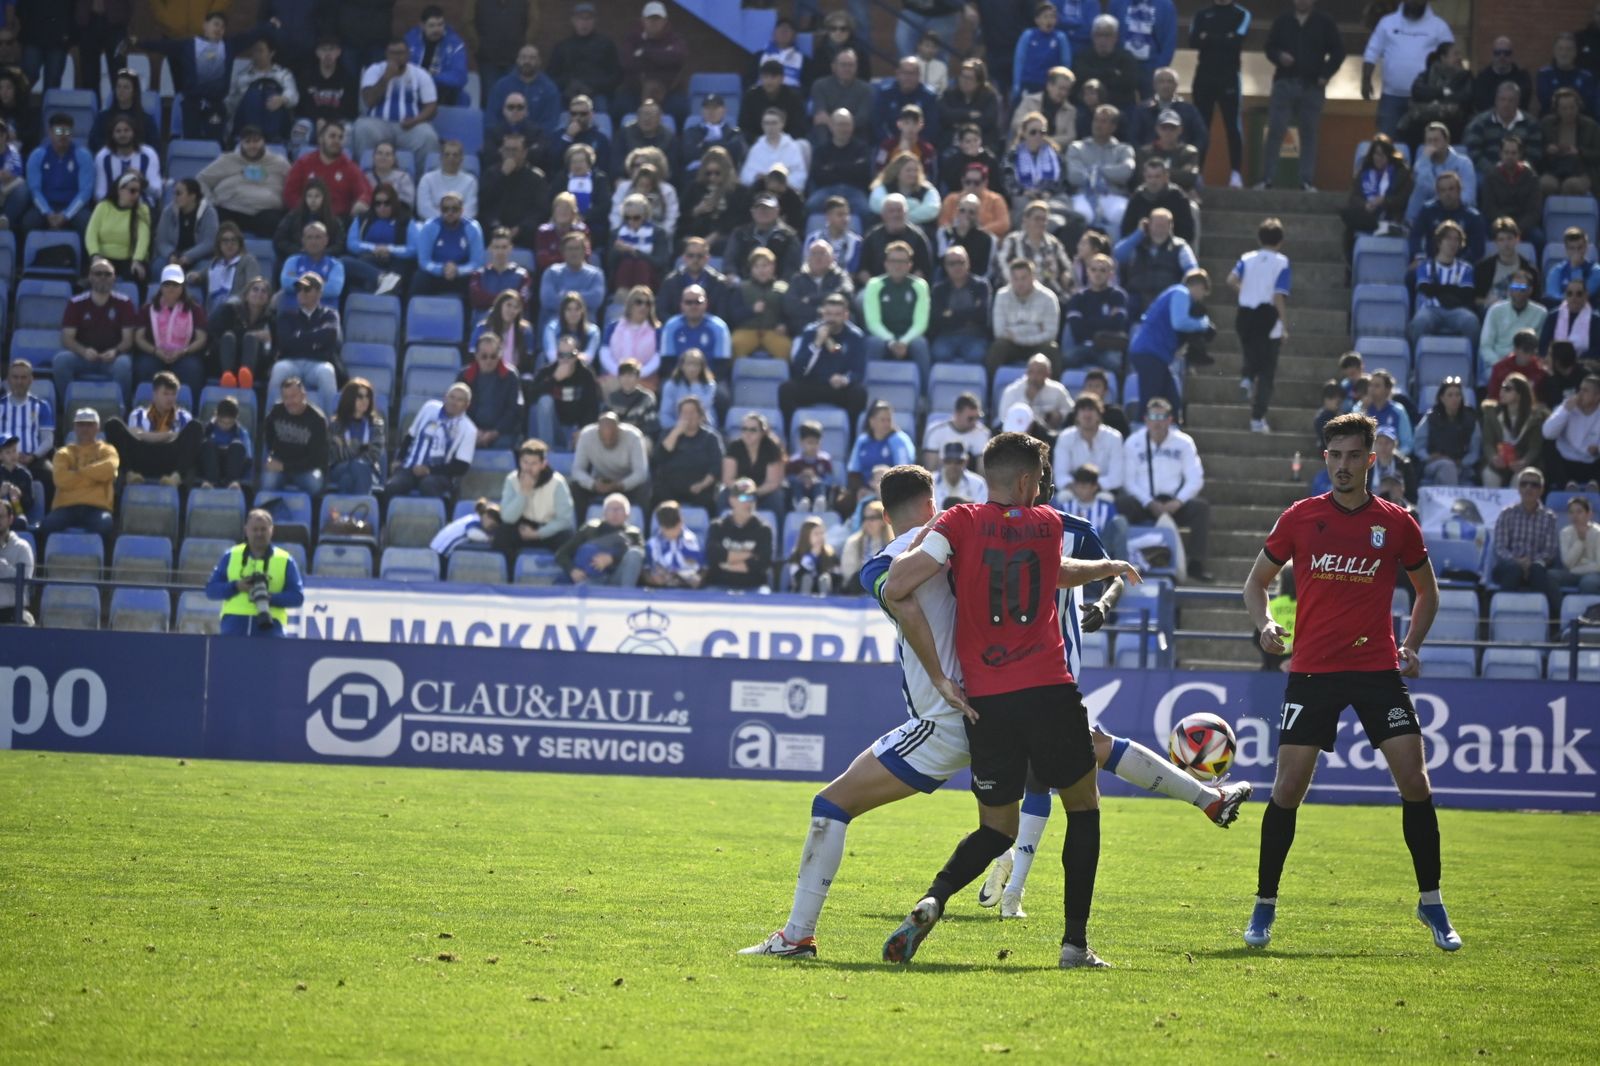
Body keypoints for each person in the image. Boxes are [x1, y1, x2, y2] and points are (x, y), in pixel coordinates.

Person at [878, 434, 1132, 969]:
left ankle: (934, 898)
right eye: (1038, 479)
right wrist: (1108, 567)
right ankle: (1073, 946)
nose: (1040, 488)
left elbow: (899, 584)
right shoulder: (1048, 523)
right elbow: (1056, 571)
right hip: (1049, 691)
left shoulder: (958, 523)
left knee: (998, 829)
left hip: (986, 702)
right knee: (1083, 810)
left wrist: (942, 677)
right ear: (1024, 482)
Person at [1244, 411, 1455, 951]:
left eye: (1353, 456)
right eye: (1334, 456)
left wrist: (1412, 645)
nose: (1343, 465)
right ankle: (1263, 905)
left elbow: (1427, 593)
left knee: (1416, 782)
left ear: (1371, 458)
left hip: (1378, 672)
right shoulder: (1300, 517)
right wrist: (1266, 623)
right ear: (1325, 459)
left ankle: (1431, 903)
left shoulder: (1398, 523)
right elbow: (1257, 584)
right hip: (1312, 670)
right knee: (1288, 790)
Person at [1119, 396, 1212, 582]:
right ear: (1146, 419)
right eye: (1153, 417)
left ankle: (1195, 564)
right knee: (1121, 504)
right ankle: (1121, 559)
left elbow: (1195, 478)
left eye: (1162, 417)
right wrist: (1149, 502)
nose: (1157, 422)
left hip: (1174, 504)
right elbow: (1128, 481)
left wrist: (1178, 501)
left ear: (1170, 420)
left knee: (1201, 508)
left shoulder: (1184, 442)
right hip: (1145, 503)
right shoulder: (1133, 443)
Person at [1260, 0, 1346, 190]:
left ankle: (1306, 181)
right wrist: (1279, 56)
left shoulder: (1325, 22)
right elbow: (1269, 47)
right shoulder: (1282, 20)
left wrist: (1326, 74)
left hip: (1312, 86)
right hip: (1284, 82)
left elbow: (1339, 51)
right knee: (1275, 130)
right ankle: (1267, 179)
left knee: (1309, 133)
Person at [203, 509, 306, 637]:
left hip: (271, 628)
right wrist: (236, 586)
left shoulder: (285, 560)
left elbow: (297, 597)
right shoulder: (231, 555)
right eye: (255, 529)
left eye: (263, 529)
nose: (259, 534)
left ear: (271, 530)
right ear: (246, 530)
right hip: (234, 626)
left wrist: (270, 598)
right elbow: (211, 590)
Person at [1362, 1, 1454, 139]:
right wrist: (1366, 79)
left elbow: (1451, 57)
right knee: (1386, 145)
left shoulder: (1439, 26)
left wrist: (1447, 89)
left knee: (1425, 146)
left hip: (1426, 101)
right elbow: (1372, 52)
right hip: (1391, 98)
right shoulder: (1387, 23)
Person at [53, 256, 137, 408]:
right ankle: (68, 407)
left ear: (114, 278)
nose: (103, 278)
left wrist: (115, 351)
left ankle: (120, 409)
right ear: (90, 277)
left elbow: (128, 340)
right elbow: (67, 338)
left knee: (124, 365)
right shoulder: (76, 303)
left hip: (112, 359)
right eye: (98, 273)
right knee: (61, 361)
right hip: (83, 357)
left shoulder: (125, 303)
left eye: (107, 274)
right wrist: (83, 351)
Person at [1128, 270, 1215, 412]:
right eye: (1203, 293)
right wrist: (1203, 323)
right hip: (1150, 353)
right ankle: (1142, 430)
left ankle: (1171, 427)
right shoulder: (1181, 292)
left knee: (1172, 402)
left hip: (1156, 355)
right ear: (1200, 286)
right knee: (1150, 401)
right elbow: (1179, 322)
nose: (1201, 299)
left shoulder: (1174, 294)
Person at [781, 294, 867, 434]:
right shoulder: (810, 332)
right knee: (786, 389)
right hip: (813, 384)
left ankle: (852, 441)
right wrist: (816, 344)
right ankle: (788, 439)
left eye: (837, 315)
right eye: (828, 314)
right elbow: (799, 370)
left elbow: (858, 371)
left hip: (839, 388)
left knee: (859, 393)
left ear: (846, 315)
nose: (832, 319)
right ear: (822, 313)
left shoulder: (855, 336)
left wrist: (844, 379)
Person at [101, 370, 202, 487]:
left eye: (173, 394)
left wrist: (146, 435)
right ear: (155, 394)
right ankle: (129, 474)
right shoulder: (138, 414)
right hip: (142, 458)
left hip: (170, 459)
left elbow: (141, 435)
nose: (170, 398)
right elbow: (136, 435)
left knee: (196, 427)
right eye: (165, 394)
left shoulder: (184, 416)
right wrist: (169, 435)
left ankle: (176, 477)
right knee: (112, 424)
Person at [1189, 0, 1252, 187]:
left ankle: (1235, 174)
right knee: (1201, 126)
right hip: (1203, 77)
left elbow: (1236, 41)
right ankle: (1197, 172)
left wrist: (1208, 37)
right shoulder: (1201, 14)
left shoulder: (1241, 14)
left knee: (1232, 126)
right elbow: (1193, 41)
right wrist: (1223, 38)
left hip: (1229, 77)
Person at [352, 39, 442, 163]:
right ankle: (364, 175)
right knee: (362, 128)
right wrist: (386, 78)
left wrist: (416, 120)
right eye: (392, 53)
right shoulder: (374, 70)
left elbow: (431, 107)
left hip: (410, 127)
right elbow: (369, 101)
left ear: (408, 54)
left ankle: (423, 179)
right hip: (378, 124)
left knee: (428, 136)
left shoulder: (421, 74)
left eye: (400, 53)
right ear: (386, 54)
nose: (396, 57)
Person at [34, 409, 116, 542]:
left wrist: (78, 472)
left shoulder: (107, 450)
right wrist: (95, 476)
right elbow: (61, 480)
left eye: (89, 425)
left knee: (105, 525)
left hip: (96, 508)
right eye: (81, 424)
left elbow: (109, 470)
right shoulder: (63, 453)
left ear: (97, 427)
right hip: (66, 507)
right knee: (47, 525)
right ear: (74, 427)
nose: (85, 428)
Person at [133, 264, 209, 403]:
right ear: (161, 286)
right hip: (155, 353)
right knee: (144, 366)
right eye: (167, 284)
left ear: (182, 287)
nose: (171, 288)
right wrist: (156, 351)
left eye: (176, 284)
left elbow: (201, 338)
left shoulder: (195, 309)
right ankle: (145, 405)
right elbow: (139, 338)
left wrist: (183, 351)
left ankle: (191, 408)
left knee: (193, 368)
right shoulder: (147, 309)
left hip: (184, 354)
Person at [197, 127, 291, 238]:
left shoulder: (279, 163)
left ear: (263, 142)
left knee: (280, 224)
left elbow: (293, 184)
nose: (252, 146)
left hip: (265, 213)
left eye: (256, 141)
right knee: (212, 218)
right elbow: (201, 179)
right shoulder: (228, 160)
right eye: (247, 142)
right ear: (241, 143)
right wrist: (210, 201)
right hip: (232, 210)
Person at [389, 383, 477, 500]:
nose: (454, 402)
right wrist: (399, 459)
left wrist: (428, 470)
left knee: (428, 485)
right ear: (445, 397)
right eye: (452, 397)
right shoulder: (429, 408)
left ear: (467, 405)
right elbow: (410, 435)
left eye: (460, 400)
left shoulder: (469, 429)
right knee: (393, 486)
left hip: (439, 474)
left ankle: (433, 517)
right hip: (410, 466)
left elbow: (461, 466)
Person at [269, 272, 342, 410]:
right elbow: (285, 342)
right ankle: (271, 421)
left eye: (307, 289)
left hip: (318, 364)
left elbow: (330, 335)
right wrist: (315, 341)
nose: (302, 293)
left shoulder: (329, 314)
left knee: (327, 372)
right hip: (291, 362)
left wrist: (299, 337)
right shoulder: (287, 315)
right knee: (279, 369)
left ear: (319, 293)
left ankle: (330, 427)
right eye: (299, 289)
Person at [862, 241, 932, 383]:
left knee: (920, 344)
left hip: (909, 337)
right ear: (886, 264)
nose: (897, 265)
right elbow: (873, 322)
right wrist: (891, 341)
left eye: (902, 261)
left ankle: (924, 397)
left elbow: (921, 323)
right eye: (893, 261)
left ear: (910, 265)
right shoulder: (874, 285)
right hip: (883, 336)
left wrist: (904, 341)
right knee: (874, 343)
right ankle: (867, 390)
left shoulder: (920, 286)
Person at [495, 439, 575, 557]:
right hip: (523, 527)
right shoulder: (511, 480)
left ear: (543, 464)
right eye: (525, 462)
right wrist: (523, 493)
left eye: (534, 463)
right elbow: (507, 517)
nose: (528, 468)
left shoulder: (557, 482)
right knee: (502, 534)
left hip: (548, 528)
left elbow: (564, 520)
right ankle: (510, 573)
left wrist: (538, 533)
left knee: (567, 539)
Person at [1490, 467, 1561, 600]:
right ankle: (1505, 612)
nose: (1528, 488)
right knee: (1513, 569)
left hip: (1536, 568)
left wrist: (1531, 563)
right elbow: (1500, 548)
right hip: (1509, 566)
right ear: (1518, 488)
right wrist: (1518, 562)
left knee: (1538, 569)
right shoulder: (1506, 514)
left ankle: (1543, 616)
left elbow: (1550, 551)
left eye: (1534, 485)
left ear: (1541, 490)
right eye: (1524, 484)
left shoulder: (1549, 517)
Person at [22, 112, 94, 238]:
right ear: (50, 132)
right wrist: (47, 212)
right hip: (46, 204)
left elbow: (85, 192)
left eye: (67, 132)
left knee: (87, 222)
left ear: (72, 133)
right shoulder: (38, 155)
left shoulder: (83, 155)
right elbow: (35, 190)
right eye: (59, 131)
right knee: (28, 222)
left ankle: (84, 258)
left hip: (72, 205)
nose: (63, 136)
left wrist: (66, 215)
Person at [1407, 220, 1478, 347]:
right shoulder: (1425, 266)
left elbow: (1466, 293)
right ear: (1439, 242)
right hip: (1430, 310)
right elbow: (1424, 288)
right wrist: (1452, 290)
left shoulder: (1466, 268)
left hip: (1457, 310)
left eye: (1456, 240)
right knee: (1419, 322)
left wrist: (1438, 290)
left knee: (1471, 321)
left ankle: (1471, 363)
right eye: (1448, 238)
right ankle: (1415, 361)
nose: (1453, 243)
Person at [988, 258, 1063, 377]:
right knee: (998, 347)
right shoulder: (1001, 296)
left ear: (1033, 277)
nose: (1020, 283)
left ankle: (1055, 391)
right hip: (1012, 346)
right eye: (1015, 279)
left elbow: (1050, 334)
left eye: (1024, 278)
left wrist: (1015, 333)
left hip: (1038, 346)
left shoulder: (1048, 298)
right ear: (1010, 279)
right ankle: (990, 392)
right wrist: (1035, 328)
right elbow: (999, 332)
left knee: (1052, 349)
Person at [1115, 207, 1198, 314]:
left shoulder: (1181, 247)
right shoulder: (1136, 245)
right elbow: (1118, 255)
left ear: (1171, 226)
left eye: (1164, 224)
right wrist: (1138, 233)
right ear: (1148, 225)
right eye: (1156, 224)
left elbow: (1192, 272)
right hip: (1137, 303)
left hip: (1168, 303)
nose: (1160, 227)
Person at [1066, 104, 1134, 232]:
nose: (1098, 125)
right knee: (1082, 215)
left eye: (1103, 121)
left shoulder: (1123, 149)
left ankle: (1115, 251)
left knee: (1123, 214)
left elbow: (1126, 171)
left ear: (1113, 127)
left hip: (1113, 195)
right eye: (1096, 120)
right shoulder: (1077, 147)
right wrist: (1108, 174)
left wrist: (1097, 171)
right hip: (1084, 195)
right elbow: (1073, 176)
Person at [527, 336, 601, 449]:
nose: (565, 359)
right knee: (545, 400)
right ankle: (546, 450)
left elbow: (592, 407)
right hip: (554, 427)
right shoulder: (546, 372)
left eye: (570, 355)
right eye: (561, 355)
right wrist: (554, 379)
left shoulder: (586, 375)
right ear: (557, 355)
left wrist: (583, 430)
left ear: (577, 355)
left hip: (575, 429)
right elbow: (530, 397)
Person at [258, 376, 329, 495]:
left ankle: (312, 512)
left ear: (303, 395)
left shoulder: (318, 420)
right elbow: (267, 436)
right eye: (286, 397)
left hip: (306, 469)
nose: (290, 402)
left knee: (314, 483)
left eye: (293, 396)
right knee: (267, 482)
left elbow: (318, 460)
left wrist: (285, 467)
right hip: (280, 464)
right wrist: (273, 458)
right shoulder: (276, 411)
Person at [1342, 134, 1412, 253]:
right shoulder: (1363, 173)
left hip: (1392, 218)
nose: (1378, 158)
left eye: (1382, 154)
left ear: (1389, 156)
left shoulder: (1402, 174)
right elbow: (1354, 198)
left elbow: (1403, 199)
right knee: (1349, 227)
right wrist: (1366, 205)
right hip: (1368, 218)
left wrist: (1384, 201)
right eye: (1376, 154)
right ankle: (1351, 269)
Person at [571, 411, 651, 514]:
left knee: (644, 486)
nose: (608, 442)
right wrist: (593, 484)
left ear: (619, 429)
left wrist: (620, 485)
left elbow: (641, 473)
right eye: (604, 439)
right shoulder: (586, 435)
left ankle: (644, 524)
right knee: (576, 486)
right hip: (599, 482)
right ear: (597, 431)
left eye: (612, 437)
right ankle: (580, 525)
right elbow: (577, 470)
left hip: (626, 483)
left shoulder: (634, 436)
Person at [1, 361, 55, 511]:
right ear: (8, 380)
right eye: (15, 377)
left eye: (23, 377)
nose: (19, 381)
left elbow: (48, 440)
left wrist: (33, 456)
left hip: (32, 459)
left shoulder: (42, 406)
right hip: (2, 459)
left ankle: (45, 518)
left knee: (50, 474)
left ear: (31, 380)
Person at [1464, 82, 1545, 181]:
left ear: (1518, 102)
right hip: (1487, 173)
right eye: (1502, 99)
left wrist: (1518, 170)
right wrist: (1492, 170)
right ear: (1496, 101)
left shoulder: (1531, 124)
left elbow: (1534, 154)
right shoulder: (1480, 123)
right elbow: (1473, 152)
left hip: (1521, 173)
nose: (1506, 104)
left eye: (1511, 100)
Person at [1480, 371, 1548, 487]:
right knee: (1489, 475)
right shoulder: (1491, 414)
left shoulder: (1535, 418)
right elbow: (1488, 443)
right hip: (1498, 464)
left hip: (1523, 464)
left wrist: (1524, 461)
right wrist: (1493, 458)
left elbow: (1534, 447)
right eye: (1502, 388)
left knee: (1521, 479)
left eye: (1508, 389)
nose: (1502, 392)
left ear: (1520, 394)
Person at [1063, 252, 1129, 373]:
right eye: (1093, 269)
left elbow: (1118, 324)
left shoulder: (1118, 296)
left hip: (1109, 347)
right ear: (1087, 272)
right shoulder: (1078, 297)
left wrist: (1087, 322)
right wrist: (1106, 321)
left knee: (1114, 363)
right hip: (1082, 346)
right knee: (1066, 359)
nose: (1097, 274)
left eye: (1103, 270)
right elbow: (1076, 329)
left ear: (1111, 274)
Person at [705, 477, 774, 591]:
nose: (749, 502)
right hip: (719, 585)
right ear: (732, 500)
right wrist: (749, 555)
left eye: (752, 498)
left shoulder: (764, 529)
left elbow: (763, 563)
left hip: (753, 586)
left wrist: (728, 564)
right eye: (743, 497)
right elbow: (713, 556)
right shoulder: (717, 527)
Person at [654, 395, 722, 511]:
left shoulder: (711, 438)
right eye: (684, 413)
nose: (688, 417)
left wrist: (702, 485)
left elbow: (716, 467)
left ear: (700, 416)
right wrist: (676, 432)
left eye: (692, 412)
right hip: (671, 488)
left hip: (700, 487)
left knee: (709, 501)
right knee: (657, 497)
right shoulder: (669, 434)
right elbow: (660, 457)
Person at [457, 333, 523, 451]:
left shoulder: (511, 376)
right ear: (476, 355)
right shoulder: (464, 376)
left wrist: (495, 432)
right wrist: (474, 431)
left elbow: (513, 410)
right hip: (471, 429)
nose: (489, 360)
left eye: (493, 356)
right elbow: (458, 408)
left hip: (502, 432)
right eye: (484, 356)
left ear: (499, 355)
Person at [547, 2, 623, 105]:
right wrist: (568, 84)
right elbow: (551, 76)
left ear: (594, 21)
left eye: (588, 18)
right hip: (567, 96)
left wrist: (594, 86)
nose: (584, 22)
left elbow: (616, 75)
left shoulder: (606, 45)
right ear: (573, 21)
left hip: (597, 95)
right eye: (580, 18)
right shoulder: (562, 47)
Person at [412, 192, 486, 297]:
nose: (450, 213)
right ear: (440, 210)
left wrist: (457, 270)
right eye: (445, 209)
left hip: (461, 275)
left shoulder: (472, 228)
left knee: (475, 280)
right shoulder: (430, 226)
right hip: (435, 275)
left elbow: (476, 263)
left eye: (454, 209)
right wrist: (442, 269)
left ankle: (468, 314)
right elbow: (424, 261)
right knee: (419, 277)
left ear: (462, 210)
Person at [929, 246, 992, 366]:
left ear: (968, 263)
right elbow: (937, 318)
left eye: (961, 262)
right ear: (945, 266)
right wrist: (970, 315)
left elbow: (982, 316)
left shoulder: (981, 286)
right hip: (946, 336)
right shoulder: (939, 289)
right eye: (952, 263)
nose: (957, 267)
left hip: (975, 336)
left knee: (976, 355)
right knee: (939, 354)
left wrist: (951, 314)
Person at [1404, 123, 1477, 226]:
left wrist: (1448, 201)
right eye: (1429, 141)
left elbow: (1469, 197)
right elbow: (1423, 189)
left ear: (1447, 141)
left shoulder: (1464, 163)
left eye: (1436, 140)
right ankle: (1409, 225)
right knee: (1419, 188)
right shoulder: (1421, 163)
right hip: (1431, 215)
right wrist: (1425, 160)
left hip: (1458, 213)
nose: (1432, 144)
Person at [86, 172, 151, 283]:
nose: (136, 195)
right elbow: (91, 234)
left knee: (137, 275)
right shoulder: (103, 206)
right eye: (132, 191)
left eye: (138, 192)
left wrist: (137, 260)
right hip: (103, 257)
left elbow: (143, 239)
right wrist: (95, 255)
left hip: (129, 259)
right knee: (97, 275)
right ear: (120, 190)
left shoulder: (142, 210)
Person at [1055, 394, 1126, 496]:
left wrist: (1090, 489)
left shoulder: (1114, 437)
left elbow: (1116, 477)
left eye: (1091, 409)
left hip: (1105, 491)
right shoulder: (1065, 437)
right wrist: (1079, 489)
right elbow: (1061, 475)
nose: (1087, 414)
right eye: (1083, 410)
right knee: (1062, 497)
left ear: (1099, 414)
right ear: (1076, 416)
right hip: (1072, 491)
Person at [1414, 377, 1480, 486]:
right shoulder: (1431, 417)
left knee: (1450, 468)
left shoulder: (1471, 419)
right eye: (1450, 395)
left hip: (1462, 466)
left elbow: (1475, 451)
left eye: (1458, 395)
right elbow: (1419, 447)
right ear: (1442, 398)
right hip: (1433, 464)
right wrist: (1429, 457)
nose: (1454, 398)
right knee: (1447, 466)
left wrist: (1462, 462)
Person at [1478, 136, 1543, 246]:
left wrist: (1518, 227)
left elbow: (1534, 210)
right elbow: (1489, 208)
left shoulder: (1531, 177)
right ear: (1500, 154)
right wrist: (1505, 226)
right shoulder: (1491, 176)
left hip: (1523, 226)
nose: (1509, 156)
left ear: (1520, 155)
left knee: (1539, 239)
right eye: (1506, 152)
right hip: (1498, 223)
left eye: (1513, 153)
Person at [784, 238, 855, 339]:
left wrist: (812, 299)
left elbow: (846, 294)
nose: (818, 257)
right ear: (807, 258)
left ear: (832, 258)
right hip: (805, 333)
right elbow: (791, 307)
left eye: (822, 253)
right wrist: (821, 312)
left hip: (838, 333)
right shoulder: (798, 279)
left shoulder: (840, 276)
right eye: (813, 253)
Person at [327, 379, 387, 496]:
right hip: (340, 469)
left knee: (347, 480)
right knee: (355, 467)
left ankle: (346, 512)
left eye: (367, 396)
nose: (365, 400)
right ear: (350, 398)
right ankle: (363, 508)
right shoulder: (335, 425)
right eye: (360, 396)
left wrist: (348, 448)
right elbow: (335, 455)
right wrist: (360, 448)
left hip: (369, 470)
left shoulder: (376, 424)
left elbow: (374, 454)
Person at [1538, 86, 1600, 196]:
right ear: (1557, 109)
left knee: (1571, 185)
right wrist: (1547, 149)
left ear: (1578, 107)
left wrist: (1579, 152)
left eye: (1572, 107)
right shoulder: (1546, 124)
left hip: (1581, 172)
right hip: (1553, 170)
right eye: (1564, 108)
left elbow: (1597, 153)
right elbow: (1536, 150)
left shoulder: (1591, 126)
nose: (1569, 112)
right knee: (1546, 184)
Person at [486, 44, 560, 137]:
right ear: (517, 60)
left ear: (539, 61)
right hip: (504, 142)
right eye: (523, 57)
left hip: (536, 142)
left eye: (532, 58)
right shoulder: (501, 86)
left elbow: (550, 123)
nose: (527, 61)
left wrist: (532, 139)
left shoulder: (549, 89)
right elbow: (491, 119)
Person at [159, 181, 224, 283]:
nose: (175, 197)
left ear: (192, 196)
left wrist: (188, 256)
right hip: (174, 257)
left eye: (179, 193)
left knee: (202, 272)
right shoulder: (168, 212)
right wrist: (171, 254)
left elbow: (210, 242)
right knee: (157, 267)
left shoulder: (209, 212)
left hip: (200, 258)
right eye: (174, 193)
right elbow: (161, 241)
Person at [1542, 375, 1600, 488]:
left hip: (1592, 462)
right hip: (1565, 461)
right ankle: (1567, 485)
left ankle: (1594, 486)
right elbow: (1547, 433)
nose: (1580, 394)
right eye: (1580, 389)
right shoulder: (1567, 405)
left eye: (1585, 391)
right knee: (1548, 446)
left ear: (1597, 396)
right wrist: (1565, 411)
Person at [92, 115, 162, 209]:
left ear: (134, 133)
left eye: (126, 130)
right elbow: (99, 193)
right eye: (118, 131)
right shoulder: (103, 157)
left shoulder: (148, 154)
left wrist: (142, 181)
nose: (122, 135)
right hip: (113, 209)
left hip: (142, 208)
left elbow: (157, 192)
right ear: (112, 135)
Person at [660, 285, 734, 373]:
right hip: (678, 379)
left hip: (711, 380)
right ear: (682, 305)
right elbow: (667, 362)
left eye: (698, 302)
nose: (693, 306)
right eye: (688, 302)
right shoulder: (671, 326)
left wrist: (703, 381)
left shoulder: (719, 328)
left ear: (706, 303)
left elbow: (722, 363)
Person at [404, 5, 467, 107]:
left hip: (443, 91)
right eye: (432, 26)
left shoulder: (455, 43)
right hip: (414, 89)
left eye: (440, 25)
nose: (437, 30)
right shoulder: (410, 41)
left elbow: (460, 77)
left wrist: (430, 79)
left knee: (463, 98)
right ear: (422, 26)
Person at [998, 352, 1073, 434]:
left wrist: (1060, 415)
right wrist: (1027, 399)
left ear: (1048, 374)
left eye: (1039, 372)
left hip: (1049, 434)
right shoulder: (1012, 391)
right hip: (1020, 434)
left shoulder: (1058, 390)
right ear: (1026, 373)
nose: (1034, 377)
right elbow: (1003, 418)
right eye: (1031, 372)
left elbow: (1071, 412)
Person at [1012, 2, 1073, 100]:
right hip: (1029, 84)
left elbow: (1066, 63)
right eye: (1045, 17)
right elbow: (1019, 60)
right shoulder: (1028, 35)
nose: (1049, 20)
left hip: (1049, 87)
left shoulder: (1060, 38)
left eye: (1052, 17)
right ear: (1037, 20)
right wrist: (1017, 84)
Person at [643, 499, 705, 588]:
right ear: (661, 526)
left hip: (689, 590)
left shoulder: (695, 541)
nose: (672, 534)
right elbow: (645, 569)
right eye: (667, 529)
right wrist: (653, 580)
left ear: (681, 522)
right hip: (662, 589)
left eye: (675, 528)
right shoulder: (651, 545)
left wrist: (699, 580)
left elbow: (704, 567)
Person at [1539, 31, 1600, 116]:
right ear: (1554, 51)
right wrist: (1574, 96)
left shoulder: (1587, 77)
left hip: (1580, 122)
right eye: (1560, 49)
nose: (1564, 53)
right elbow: (1546, 101)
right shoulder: (1544, 74)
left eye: (1569, 49)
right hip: (1550, 122)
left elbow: (1587, 103)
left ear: (1575, 52)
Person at [1540, 279, 1600, 364]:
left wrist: (1575, 361)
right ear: (1565, 296)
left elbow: (1597, 348)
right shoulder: (1553, 316)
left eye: (1579, 294)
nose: (1574, 297)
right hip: (1555, 364)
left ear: (1586, 296)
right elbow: (1543, 344)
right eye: (1570, 293)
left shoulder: (1595, 320)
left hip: (1583, 364)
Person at [1472, 36, 1534, 115]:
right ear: (1492, 54)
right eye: (1497, 53)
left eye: (1506, 53)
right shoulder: (1482, 78)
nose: (1502, 57)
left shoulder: (1522, 77)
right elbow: (1481, 105)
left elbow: (1522, 103)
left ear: (1512, 55)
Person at [783, 515, 840, 595]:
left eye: (822, 533)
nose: (820, 537)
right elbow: (795, 579)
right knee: (806, 579)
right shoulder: (796, 555)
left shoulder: (831, 554)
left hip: (827, 600)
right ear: (806, 536)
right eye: (816, 534)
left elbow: (837, 578)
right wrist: (810, 559)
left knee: (824, 578)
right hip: (801, 598)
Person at [1555, 495, 1600, 592]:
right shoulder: (1565, 532)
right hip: (1571, 573)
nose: (1574, 516)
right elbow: (1567, 563)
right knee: (1550, 576)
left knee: (1588, 584)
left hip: (1593, 573)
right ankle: (1558, 607)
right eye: (1571, 512)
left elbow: (1598, 565)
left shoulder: (1598, 533)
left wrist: (1576, 570)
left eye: (1579, 512)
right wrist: (1580, 540)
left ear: (1589, 514)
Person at [0, 498, 34, 624]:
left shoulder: (22, 547)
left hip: (13, 612)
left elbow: (24, 581)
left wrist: (1, 565)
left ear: (10, 519)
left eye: (1, 516)